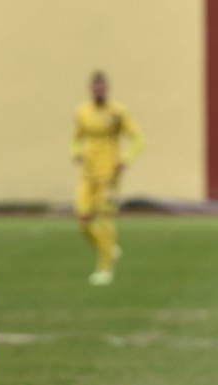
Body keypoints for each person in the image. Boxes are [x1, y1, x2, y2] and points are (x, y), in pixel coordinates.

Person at [71, 70, 143, 287]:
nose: (99, 90)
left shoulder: (118, 112)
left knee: (105, 220)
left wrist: (126, 159)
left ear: (107, 88)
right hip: (88, 176)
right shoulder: (82, 112)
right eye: (95, 86)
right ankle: (108, 248)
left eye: (102, 86)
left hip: (109, 177)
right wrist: (76, 152)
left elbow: (138, 139)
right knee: (83, 222)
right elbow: (76, 139)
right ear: (91, 88)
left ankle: (104, 268)